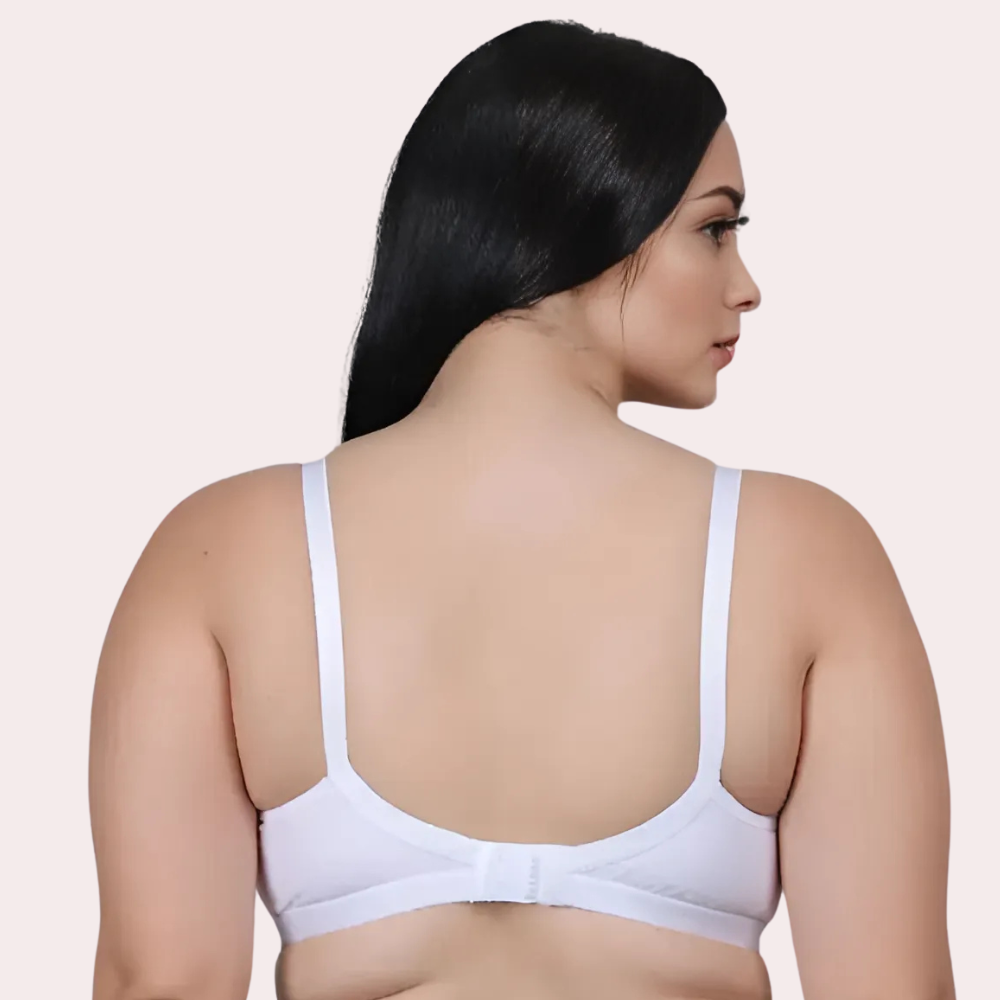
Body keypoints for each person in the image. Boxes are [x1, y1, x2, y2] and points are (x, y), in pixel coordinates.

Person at [88, 19, 956, 1000]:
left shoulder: (222, 553)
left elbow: (162, 983)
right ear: (582, 219)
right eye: (716, 228)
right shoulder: (806, 558)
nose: (745, 288)